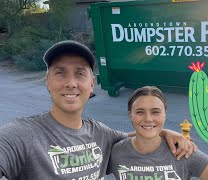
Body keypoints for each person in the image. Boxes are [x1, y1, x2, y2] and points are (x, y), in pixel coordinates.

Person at [0, 41, 195, 180]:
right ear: (47, 82)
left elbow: (132, 138)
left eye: (80, 74)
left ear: (92, 84)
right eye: (60, 73)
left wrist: (163, 132)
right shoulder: (23, 134)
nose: (70, 83)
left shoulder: (100, 133)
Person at [107, 86, 208, 180]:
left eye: (155, 112)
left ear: (165, 114)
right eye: (140, 112)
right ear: (130, 115)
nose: (148, 118)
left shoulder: (182, 151)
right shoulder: (117, 151)